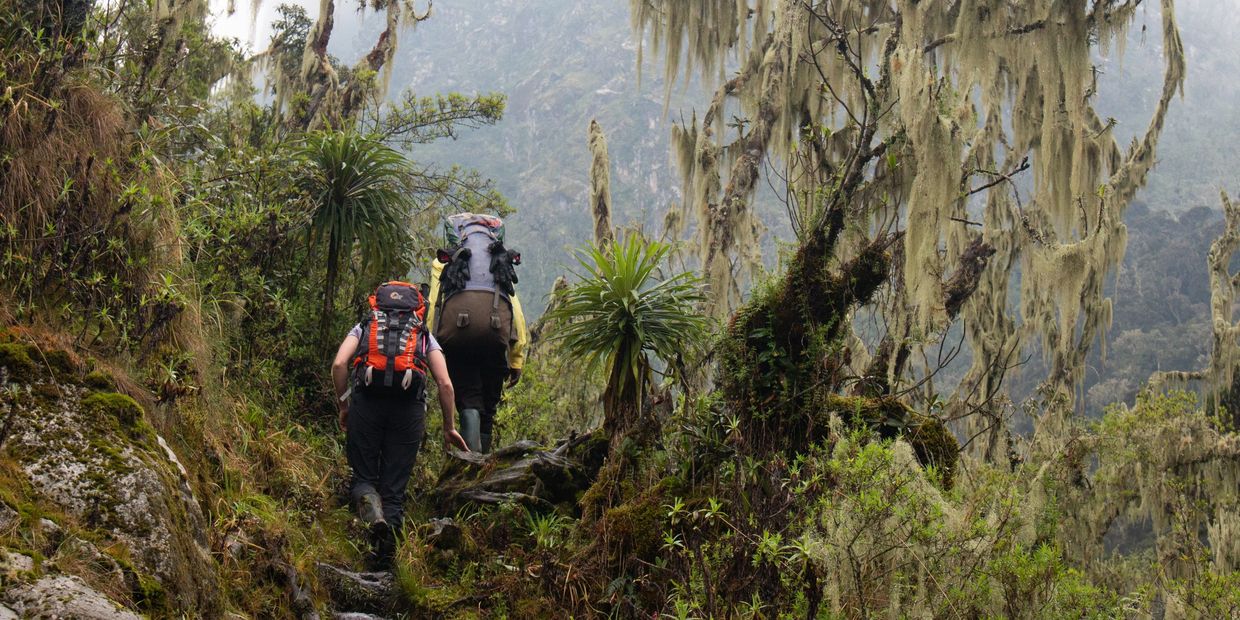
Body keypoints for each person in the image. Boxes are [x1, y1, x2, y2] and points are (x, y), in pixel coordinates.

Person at [331, 282, 469, 569]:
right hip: (408, 411)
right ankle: (386, 566)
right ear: (417, 307)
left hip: (366, 404)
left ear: (377, 304)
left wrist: (345, 406)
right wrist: (449, 427)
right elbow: (445, 383)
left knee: (364, 478)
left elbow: (339, 365)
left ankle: (371, 512)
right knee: (394, 490)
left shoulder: (365, 326)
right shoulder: (422, 334)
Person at [427, 214, 529, 454]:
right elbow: (516, 313)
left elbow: (434, 306)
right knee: (489, 404)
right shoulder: (500, 261)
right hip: (495, 337)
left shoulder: (444, 262)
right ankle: (483, 465)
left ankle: (469, 465)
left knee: (467, 398)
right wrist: (516, 358)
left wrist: (430, 348)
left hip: (456, 339)